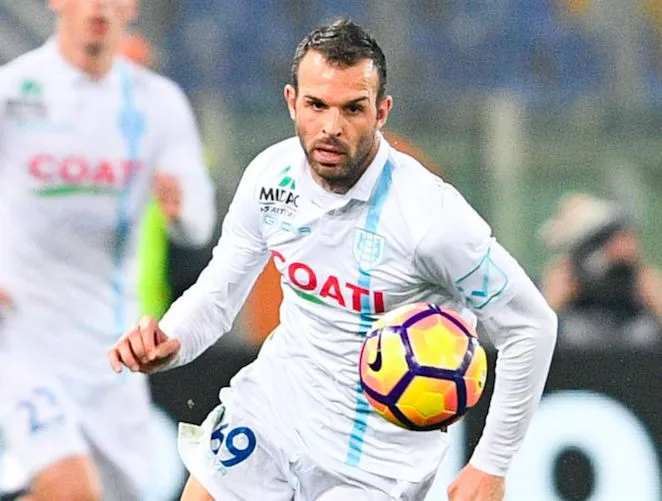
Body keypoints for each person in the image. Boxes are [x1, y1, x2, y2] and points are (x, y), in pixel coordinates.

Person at [109, 19, 557, 501]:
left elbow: (531, 325)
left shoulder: (431, 218)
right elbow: (219, 293)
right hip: (271, 417)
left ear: (381, 112)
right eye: (316, 105)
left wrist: (491, 464)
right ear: (291, 102)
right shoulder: (270, 177)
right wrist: (171, 340)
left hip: (376, 466)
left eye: (353, 109)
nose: (331, 127)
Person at [0, 0, 216, 499]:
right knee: (70, 487)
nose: (98, 6)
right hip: (22, 339)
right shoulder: (14, 92)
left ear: (131, 8)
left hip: (109, 349)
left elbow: (199, 223)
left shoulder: (158, 103)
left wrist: (180, 208)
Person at [539, 192, 662, 349]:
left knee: (644, 333)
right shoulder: (567, 273)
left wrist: (653, 296)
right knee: (573, 332)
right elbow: (536, 332)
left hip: (631, 337)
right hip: (581, 335)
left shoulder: (638, 277)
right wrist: (552, 302)